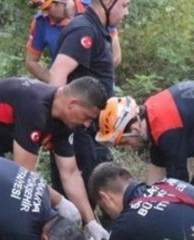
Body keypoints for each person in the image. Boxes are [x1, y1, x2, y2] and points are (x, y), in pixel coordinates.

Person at [0, 77, 110, 240]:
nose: (87, 124)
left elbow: (69, 173)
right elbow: (24, 175)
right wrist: (59, 202)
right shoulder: (34, 106)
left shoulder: (66, 122)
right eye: (87, 117)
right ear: (73, 104)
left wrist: (90, 221)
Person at [47, 0, 130, 200]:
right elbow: (57, 73)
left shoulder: (98, 29)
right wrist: (55, 125)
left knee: (96, 189)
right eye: (125, 5)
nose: (126, 13)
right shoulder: (83, 29)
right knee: (78, 192)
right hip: (78, 129)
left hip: (93, 129)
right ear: (108, 2)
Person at [25, 0, 122, 83]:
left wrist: (93, 80)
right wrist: (53, 79)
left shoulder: (95, 9)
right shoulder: (41, 21)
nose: (44, 13)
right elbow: (31, 62)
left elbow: (115, 57)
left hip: (98, 86)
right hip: (64, 89)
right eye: (40, 8)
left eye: (47, 8)